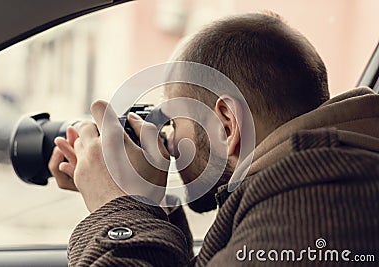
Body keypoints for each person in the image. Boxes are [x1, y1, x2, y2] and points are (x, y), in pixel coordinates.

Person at [49, 13, 379, 266]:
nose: (170, 144)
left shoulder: (318, 198)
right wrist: (145, 201)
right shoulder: (314, 183)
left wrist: (114, 205)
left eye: (175, 122)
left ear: (225, 124)